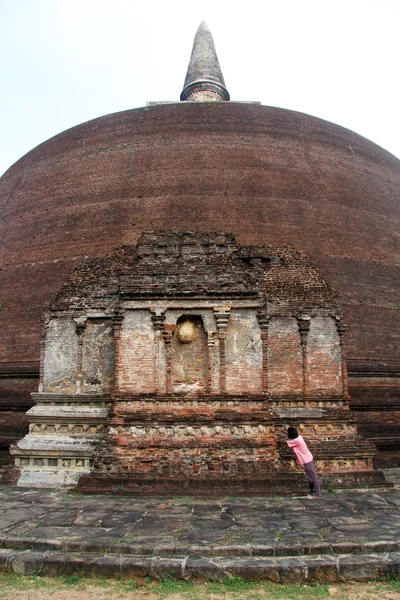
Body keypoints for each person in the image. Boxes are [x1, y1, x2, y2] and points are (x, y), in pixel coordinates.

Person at [286, 426, 321, 498]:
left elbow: (286, 443)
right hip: (307, 459)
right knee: (311, 477)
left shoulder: (297, 441)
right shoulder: (299, 437)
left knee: (313, 477)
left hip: (307, 460)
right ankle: (313, 492)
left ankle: (317, 494)